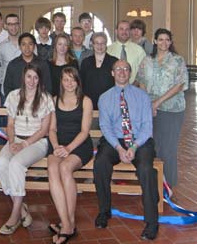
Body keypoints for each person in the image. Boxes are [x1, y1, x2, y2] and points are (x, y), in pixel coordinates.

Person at [94, 60, 159, 241]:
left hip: (140, 141)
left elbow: (147, 127)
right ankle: (104, 211)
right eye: (118, 69)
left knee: (146, 169)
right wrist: (118, 147)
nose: (122, 72)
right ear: (112, 73)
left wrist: (133, 146)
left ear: (130, 73)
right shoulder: (104, 98)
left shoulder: (142, 96)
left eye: (125, 69)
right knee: (100, 163)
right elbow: (105, 127)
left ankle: (152, 222)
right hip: (114, 141)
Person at [0, 64, 53, 235]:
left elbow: (44, 130)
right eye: (29, 76)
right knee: (1, 162)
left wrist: (24, 145)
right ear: (23, 77)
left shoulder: (45, 98)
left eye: (35, 77)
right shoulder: (13, 96)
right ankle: (21, 207)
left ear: (39, 80)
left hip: (37, 142)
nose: (32, 81)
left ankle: (14, 216)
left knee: (16, 164)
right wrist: (12, 142)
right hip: (16, 139)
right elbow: (10, 124)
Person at [136, 28, 188, 188]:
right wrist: (148, 104)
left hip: (171, 110)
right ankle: (153, 182)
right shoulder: (147, 61)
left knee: (168, 147)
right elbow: (141, 81)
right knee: (153, 146)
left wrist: (156, 103)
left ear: (171, 42)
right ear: (155, 41)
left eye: (167, 40)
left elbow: (179, 85)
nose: (164, 43)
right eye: (160, 39)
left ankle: (168, 185)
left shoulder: (177, 60)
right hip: (149, 110)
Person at [47, 67, 93, 244]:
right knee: (52, 168)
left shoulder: (86, 101)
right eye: (66, 80)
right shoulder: (54, 100)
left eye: (72, 79)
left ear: (78, 81)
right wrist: (56, 146)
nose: (69, 83)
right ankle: (67, 223)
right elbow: (51, 129)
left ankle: (67, 225)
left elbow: (84, 131)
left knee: (65, 167)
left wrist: (68, 148)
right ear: (61, 82)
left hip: (79, 145)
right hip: (59, 144)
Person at [80, 32, 118, 110]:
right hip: (89, 103)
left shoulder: (114, 61)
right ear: (93, 45)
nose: (99, 46)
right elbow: (81, 83)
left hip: (110, 103)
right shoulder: (86, 62)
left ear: (106, 45)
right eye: (97, 43)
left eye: (102, 43)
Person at [0, 13, 21, 105]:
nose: (13, 27)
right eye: (10, 24)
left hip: (27, 90)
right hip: (7, 91)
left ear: (19, 25)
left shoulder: (29, 45)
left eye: (16, 24)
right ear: (5, 26)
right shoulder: (0, 47)